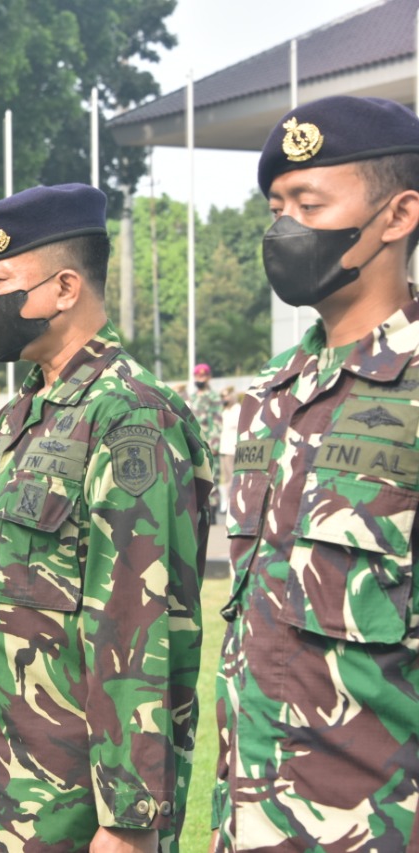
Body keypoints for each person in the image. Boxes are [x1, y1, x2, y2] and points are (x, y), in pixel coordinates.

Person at [0, 183, 213, 852]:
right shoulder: (20, 416)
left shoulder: (130, 416)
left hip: (64, 810)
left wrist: (127, 820)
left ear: (64, 288)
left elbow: (136, 626)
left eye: (0, 282)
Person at [213, 96, 419, 852]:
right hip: (250, 819)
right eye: (275, 208)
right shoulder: (268, 398)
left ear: (398, 216)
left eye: (309, 204)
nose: (284, 228)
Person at [187, 362, 225, 522]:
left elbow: (217, 421)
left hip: (209, 443)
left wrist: (214, 444)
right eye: (197, 376)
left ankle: (213, 513)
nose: (200, 379)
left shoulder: (213, 397)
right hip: (195, 444)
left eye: (203, 376)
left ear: (209, 377)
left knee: (212, 477)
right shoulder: (193, 397)